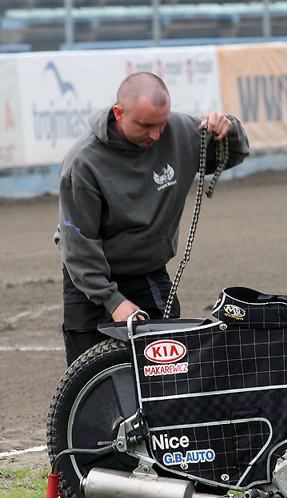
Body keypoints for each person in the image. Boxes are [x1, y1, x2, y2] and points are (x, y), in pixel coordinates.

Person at [55, 72, 250, 368]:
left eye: (161, 123)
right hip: (91, 281)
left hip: (149, 273)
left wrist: (229, 128)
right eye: (145, 125)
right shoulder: (82, 163)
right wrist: (113, 301)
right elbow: (78, 247)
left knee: (169, 373)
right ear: (119, 114)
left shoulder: (180, 130)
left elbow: (231, 153)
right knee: (90, 379)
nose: (157, 135)